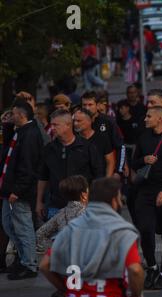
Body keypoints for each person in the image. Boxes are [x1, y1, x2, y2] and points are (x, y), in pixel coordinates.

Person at [39, 177, 144, 297]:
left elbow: (44, 265)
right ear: (114, 201)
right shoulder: (122, 232)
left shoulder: (70, 230)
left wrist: (65, 289)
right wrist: (136, 294)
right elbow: (135, 271)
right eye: (119, 199)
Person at [132, 107, 162, 290]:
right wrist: (144, 159)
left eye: (149, 116)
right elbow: (133, 162)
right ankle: (152, 266)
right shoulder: (143, 137)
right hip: (146, 191)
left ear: (159, 119)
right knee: (145, 229)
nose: (145, 119)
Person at [0, 99, 44, 280]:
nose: (12, 116)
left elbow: (28, 167)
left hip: (20, 192)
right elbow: (7, 152)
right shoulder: (20, 132)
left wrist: (17, 190)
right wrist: (7, 126)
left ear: (22, 114)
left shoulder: (30, 134)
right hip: (9, 190)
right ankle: (23, 258)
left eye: (14, 113)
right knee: (9, 225)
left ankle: (29, 264)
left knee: (23, 227)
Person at [36, 110, 104, 221]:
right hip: (56, 206)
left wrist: (94, 201)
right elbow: (43, 177)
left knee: (80, 238)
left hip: (83, 206)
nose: (52, 128)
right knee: (57, 238)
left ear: (68, 125)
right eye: (51, 124)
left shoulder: (87, 148)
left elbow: (99, 175)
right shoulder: (49, 149)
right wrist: (39, 202)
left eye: (55, 125)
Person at [36, 176, 88, 253]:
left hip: (63, 258)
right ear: (84, 195)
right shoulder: (89, 213)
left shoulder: (61, 213)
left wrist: (55, 247)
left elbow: (39, 234)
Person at [81, 91, 126, 175]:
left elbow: (121, 147)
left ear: (97, 105)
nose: (86, 108)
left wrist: (118, 171)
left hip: (106, 170)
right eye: (84, 105)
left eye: (90, 105)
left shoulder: (108, 121)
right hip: (85, 172)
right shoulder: (77, 123)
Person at [73, 108, 115, 177]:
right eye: (74, 121)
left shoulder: (102, 138)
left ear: (89, 121)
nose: (75, 123)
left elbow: (110, 162)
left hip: (99, 181)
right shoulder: (73, 139)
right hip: (79, 182)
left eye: (79, 121)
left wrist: (107, 181)